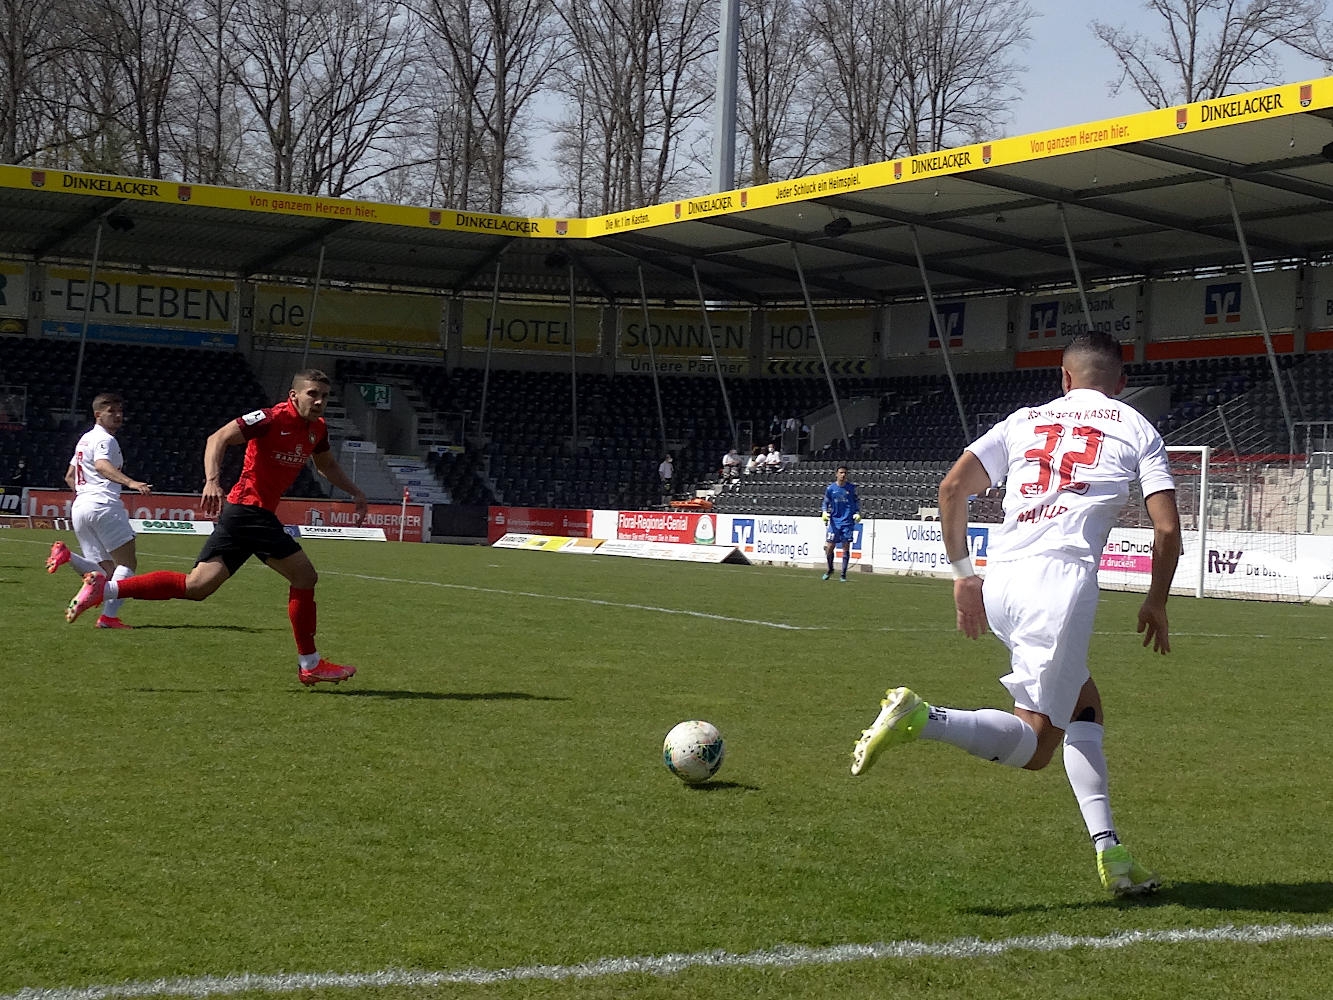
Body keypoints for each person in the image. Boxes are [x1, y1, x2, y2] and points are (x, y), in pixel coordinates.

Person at [849, 331, 1182, 898]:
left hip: (1001, 579)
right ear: (1122, 383)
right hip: (1059, 584)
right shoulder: (1136, 427)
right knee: (1036, 747)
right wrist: (1156, 600)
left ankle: (1112, 853)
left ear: (1064, 377)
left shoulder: (1025, 419)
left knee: (1084, 706)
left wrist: (963, 576)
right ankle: (921, 718)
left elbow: (952, 488)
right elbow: (1167, 530)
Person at [64, 370, 369, 686]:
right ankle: (310, 664)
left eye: (324, 396)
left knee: (197, 587)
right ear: (294, 395)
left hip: (243, 516)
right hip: (250, 510)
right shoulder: (268, 418)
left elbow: (326, 465)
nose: (319, 401)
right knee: (305, 576)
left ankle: (106, 589)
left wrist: (355, 492)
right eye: (312, 394)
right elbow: (218, 438)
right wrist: (212, 481)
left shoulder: (317, 429)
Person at [46, 393, 152, 629]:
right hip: (103, 504)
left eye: (120, 411)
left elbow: (69, 476)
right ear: (97, 415)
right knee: (127, 564)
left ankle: (67, 556)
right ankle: (108, 617)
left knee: (105, 572)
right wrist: (131, 482)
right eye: (111, 411)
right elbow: (101, 465)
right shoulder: (106, 439)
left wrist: (86, 495)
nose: (118, 415)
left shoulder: (84, 439)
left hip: (81, 506)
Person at [820, 465, 860, 581]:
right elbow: (825, 502)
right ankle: (830, 569)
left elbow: (856, 502)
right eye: (841, 473)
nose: (843, 475)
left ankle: (843, 574)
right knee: (829, 547)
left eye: (845, 473)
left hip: (847, 522)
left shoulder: (851, 488)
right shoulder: (831, 488)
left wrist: (857, 513)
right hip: (834, 522)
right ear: (836, 474)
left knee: (846, 547)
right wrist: (824, 512)